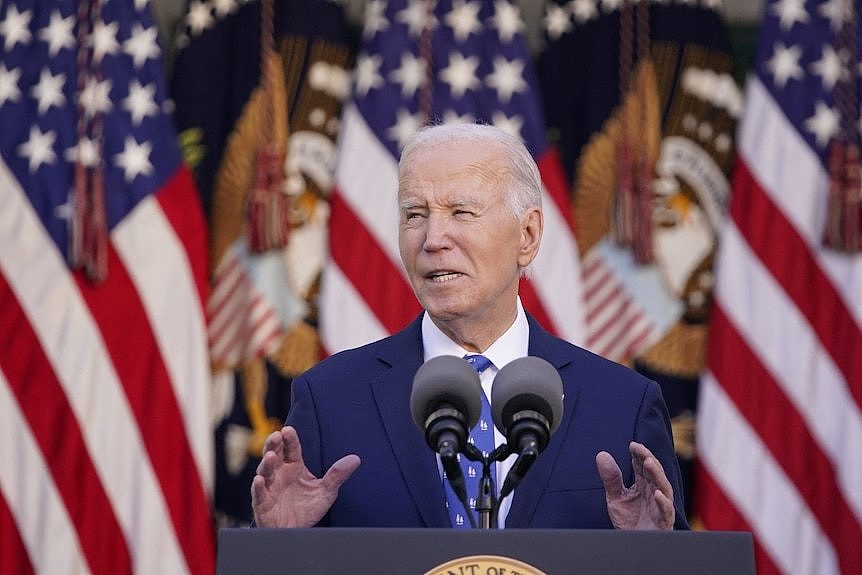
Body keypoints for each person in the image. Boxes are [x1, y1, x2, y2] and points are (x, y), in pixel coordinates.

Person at [251, 123, 687, 530]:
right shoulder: (330, 400)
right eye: (414, 215)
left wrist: (653, 557)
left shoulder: (621, 406)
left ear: (528, 235)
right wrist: (278, 545)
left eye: (461, 212)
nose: (433, 239)